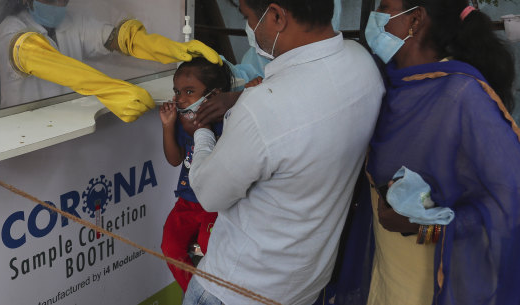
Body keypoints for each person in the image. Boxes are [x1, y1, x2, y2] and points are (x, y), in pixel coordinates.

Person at [184, 0, 384, 304]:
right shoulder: (362, 64)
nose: (250, 29)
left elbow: (209, 194)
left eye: (250, 18)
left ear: (277, 16)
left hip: (235, 289)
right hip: (303, 288)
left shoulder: (263, 109)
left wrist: (200, 132)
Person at [334, 0, 520, 304]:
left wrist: (421, 228)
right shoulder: (387, 83)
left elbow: (509, 206)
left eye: (384, 7)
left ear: (415, 20)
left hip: (433, 285)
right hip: (384, 275)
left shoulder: (460, 95)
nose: (374, 18)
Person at [0, 0, 221, 122]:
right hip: (27, 131)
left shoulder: (72, 22)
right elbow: (44, 59)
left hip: (68, 125)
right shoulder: (11, 30)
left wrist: (172, 49)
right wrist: (110, 90)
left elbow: (119, 39)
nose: (58, 5)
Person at [159, 57, 233, 292]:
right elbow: (174, 159)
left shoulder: (229, 124)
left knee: (209, 244)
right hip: (188, 201)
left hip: (215, 204)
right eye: (177, 91)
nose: (180, 98)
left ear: (213, 95)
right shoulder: (182, 122)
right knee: (170, 247)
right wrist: (168, 126)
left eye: (189, 91)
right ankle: (197, 294)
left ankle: (219, 295)